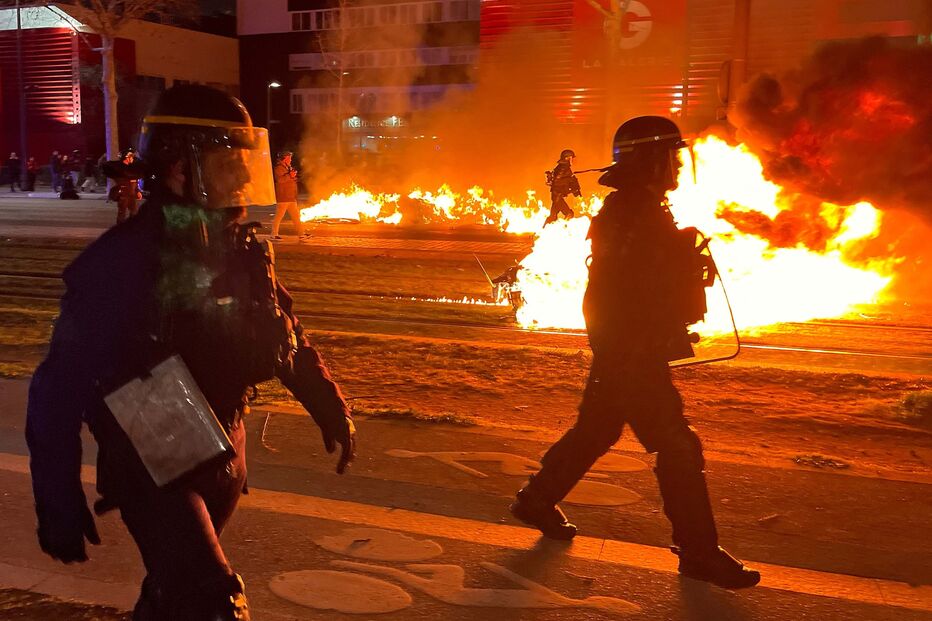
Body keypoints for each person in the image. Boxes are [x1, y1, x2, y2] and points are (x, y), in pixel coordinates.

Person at [26, 85, 356, 620]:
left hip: (226, 445)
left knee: (172, 595)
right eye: (230, 163)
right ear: (181, 168)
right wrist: (56, 493)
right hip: (153, 458)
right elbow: (56, 387)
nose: (246, 178)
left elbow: (284, 328)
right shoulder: (121, 262)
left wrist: (326, 401)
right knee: (214, 602)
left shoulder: (242, 248)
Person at [510, 116, 761, 590]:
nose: (678, 168)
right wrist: (633, 347)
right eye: (672, 157)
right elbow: (616, 294)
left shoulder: (643, 210)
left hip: (628, 349)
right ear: (652, 160)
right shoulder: (633, 216)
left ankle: (536, 500)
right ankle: (699, 553)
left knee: (597, 431)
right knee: (679, 445)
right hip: (631, 352)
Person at [270, 150, 309, 242]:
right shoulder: (279, 168)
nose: (291, 159)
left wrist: (294, 176)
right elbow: (280, 180)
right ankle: (273, 234)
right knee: (279, 216)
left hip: (290, 196)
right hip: (283, 197)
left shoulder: (288, 167)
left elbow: (289, 179)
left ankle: (301, 234)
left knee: (296, 216)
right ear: (285, 158)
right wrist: (290, 175)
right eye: (289, 157)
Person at [102, 148, 143, 223]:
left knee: (134, 212)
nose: (132, 158)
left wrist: (137, 191)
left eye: (133, 156)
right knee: (122, 212)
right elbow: (106, 167)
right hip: (124, 195)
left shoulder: (134, 169)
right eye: (130, 156)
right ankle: (120, 227)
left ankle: (132, 226)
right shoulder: (119, 168)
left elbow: (135, 182)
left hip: (132, 196)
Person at [544, 149, 581, 225]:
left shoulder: (562, 167)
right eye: (571, 158)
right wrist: (572, 184)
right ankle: (564, 229)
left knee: (552, 217)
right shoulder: (563, 168)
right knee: (569, 214)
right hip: (558, 196)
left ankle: (542, 232)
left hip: (556, 196)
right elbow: (558, 181)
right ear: (567, 158)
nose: (573, 160)